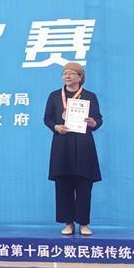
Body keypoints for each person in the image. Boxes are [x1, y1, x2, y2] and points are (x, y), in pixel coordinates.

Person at [43, 62, 103, 236]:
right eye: (65, 73)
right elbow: (47, 118)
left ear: (80, 77)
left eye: (71, 73)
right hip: (62, 145)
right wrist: (56, 127)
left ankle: (83, 223)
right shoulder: (55, 96)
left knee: (84, 185)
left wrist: (93, 123)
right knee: (63, 185)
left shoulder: (90, 96)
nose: (67, 76)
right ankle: (68, 223)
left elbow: (98, 119)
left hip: (84, 146)